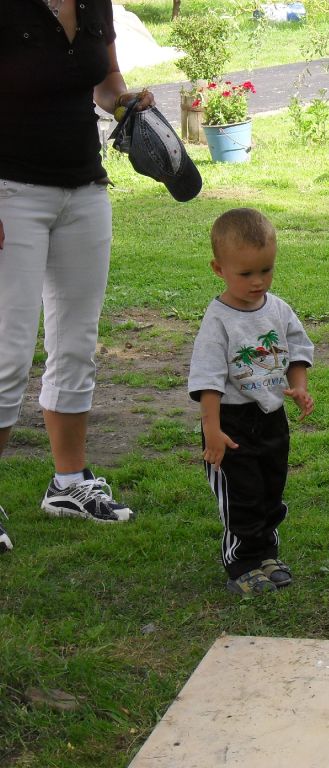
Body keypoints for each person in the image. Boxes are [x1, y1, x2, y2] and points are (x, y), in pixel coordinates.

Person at [0, 0, 157, 551]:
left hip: (85, 189)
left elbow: (105, 81)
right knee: (7, 352)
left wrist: (125, 101)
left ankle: (69, 484)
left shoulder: (93, 1)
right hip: (9, 191)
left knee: (76, 344)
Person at [188, 208, 315, 595]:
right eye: (245, 274)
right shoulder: (218, 321)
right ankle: (241, 563)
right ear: (219, 269)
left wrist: (298, 386)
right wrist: (212, 431)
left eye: (266, 270)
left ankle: (266, 554)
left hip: (271, 418)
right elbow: (208, 381)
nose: (258, 281)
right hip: (231, 423)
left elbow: (297, 350)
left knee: (270, 489)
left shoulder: (278, 309)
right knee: (241, 495)